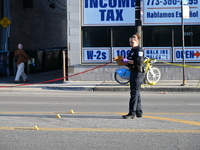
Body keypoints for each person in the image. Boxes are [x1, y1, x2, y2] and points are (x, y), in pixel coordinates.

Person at [121, 33, 145, 119]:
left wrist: (127, 61)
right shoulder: (132, 50)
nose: (131, 44)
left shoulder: (139, 51)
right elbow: (129, 62)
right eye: (130, 42)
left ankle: (132, 113)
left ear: (137, 42)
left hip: (138, 73)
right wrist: (122, 61)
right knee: (136, 92)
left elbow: (139, 62)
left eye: (132, 42)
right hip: (133, 72)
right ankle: (139, 111)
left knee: (134, 93)